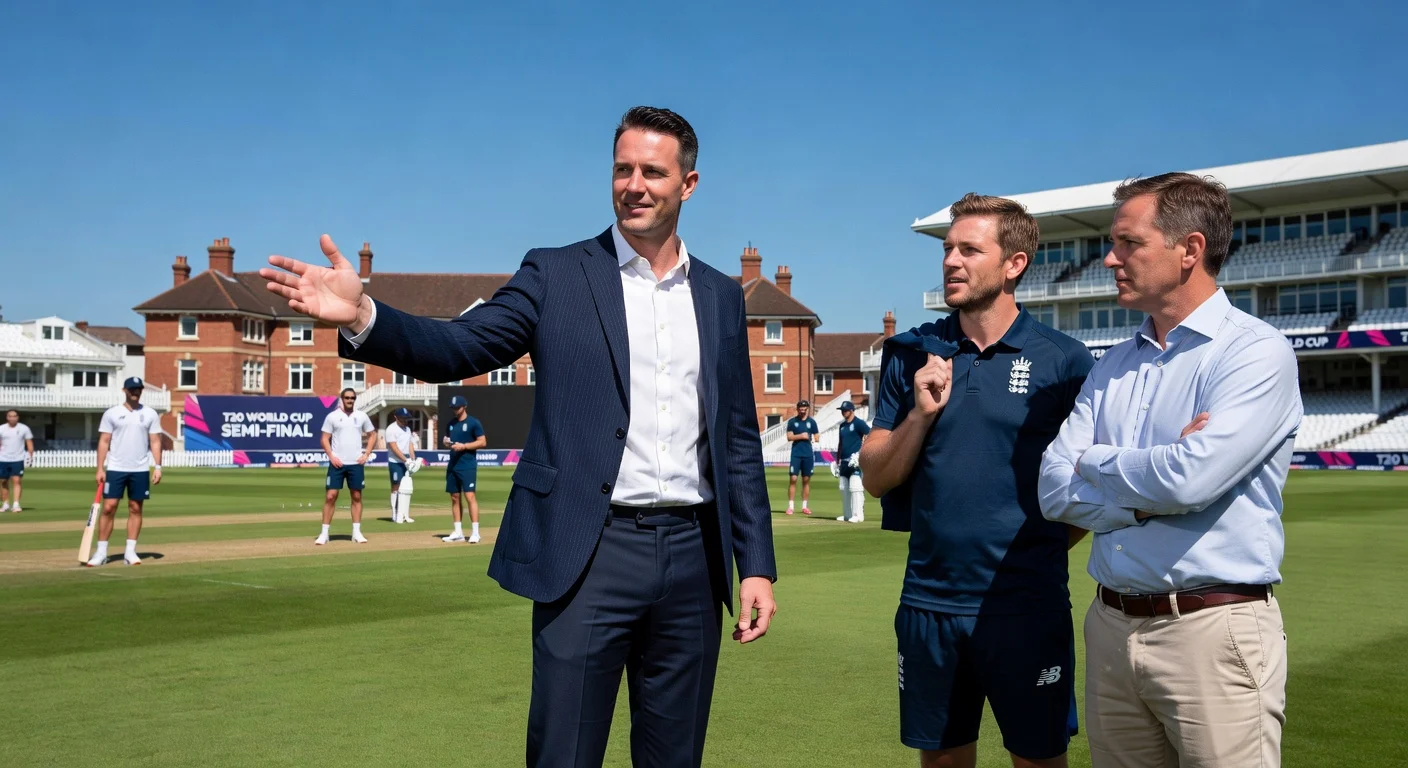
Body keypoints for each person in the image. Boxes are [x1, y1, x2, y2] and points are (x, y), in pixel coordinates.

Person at [261, 105, 777, 768]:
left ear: (689, 184)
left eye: (652, 172)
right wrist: (363, 314)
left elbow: (736, 439)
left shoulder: (719, 296)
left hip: (693, 557)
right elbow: (461, 345)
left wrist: (755, 564)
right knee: (563, 755)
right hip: (587, 554)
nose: (634, 186)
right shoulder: (555, 274)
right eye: (622, 169)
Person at [1038, 173, 1300, 768]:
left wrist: (1095, 461)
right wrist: (1149, 488)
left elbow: (1189, 480)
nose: (1111, 259)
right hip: (1110, 624)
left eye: (1130, 243)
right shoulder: (1112, 364)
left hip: (1211, 629)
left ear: (1190, 249)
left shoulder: (1254, 351)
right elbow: (1053, 487)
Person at [860, 194, 1094, 768]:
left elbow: (1087, 493)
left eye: (969, 250)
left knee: (1039, 760)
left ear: (1014, 264)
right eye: (947, 249)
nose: (951, 261)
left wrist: (1033, 553)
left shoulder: (1065, 361)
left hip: (1028, 607)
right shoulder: (912, 353)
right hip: (929, 604)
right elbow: (875, 478)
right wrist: (921, 415)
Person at [87, 378, 163, 567]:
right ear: (125, 391)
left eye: (138, 389)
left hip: (140, 468)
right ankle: (101, 552)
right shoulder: (112, 413)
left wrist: (158, 467)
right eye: (132, 389)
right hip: (116, 468)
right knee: (109, 507)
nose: (135, 392)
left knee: (135, 508)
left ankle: (130, 552)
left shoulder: (150, 413)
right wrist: (100, 468)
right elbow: (104, 441)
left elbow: (155, 441)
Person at [317, 387, 375, 545]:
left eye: (352, 398)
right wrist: (331, 456)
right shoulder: (332, 416)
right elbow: (324, 438)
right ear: (342, 399)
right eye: (347, 398)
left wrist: (366, 454)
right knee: (330, 496)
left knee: (356, 496)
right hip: (337, 463)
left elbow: (372, 435)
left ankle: (356, 533)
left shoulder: (361, 416)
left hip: (356, 463)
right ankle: (324, 534)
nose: (350, 400)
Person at [440, 395, 486, 543]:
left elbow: (482, 442)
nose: (455, 410)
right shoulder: (451, 423)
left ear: (464, 406)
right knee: (454, 497)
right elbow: (449, 440)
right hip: (453, 464)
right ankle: (458, 532)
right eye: (453, 408)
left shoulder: (473, 423)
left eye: (457, 408)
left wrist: (464, 446)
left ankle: (475, 533)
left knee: (470, 496)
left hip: (467, 465)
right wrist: (446, 442)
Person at [832, 401, 870, 523]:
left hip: (855, 461)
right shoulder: (842, 426)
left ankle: (858, 515)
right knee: (844, 488)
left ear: (852, 410)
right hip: (844, 462)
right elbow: (841, 444)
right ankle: (847, 515)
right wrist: (837, 460)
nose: (843, 412)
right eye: (842, 410)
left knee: (855, 487)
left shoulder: (858, 423)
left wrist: (861, 453)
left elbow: (870, 435)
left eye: (845, 410)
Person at [784, 400, 819, 515]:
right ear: (798, 409)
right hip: (796, 454)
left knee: (806, 480)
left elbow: (817, 436)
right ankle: (791, 506)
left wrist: (815, 439)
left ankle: (805, 506)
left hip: (808, 454)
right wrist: (801, 436)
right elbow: (789, 437)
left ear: (807, 409)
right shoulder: (792, 422)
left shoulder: (812, 422)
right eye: (801, 409)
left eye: (804, 409)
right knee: (793, 478)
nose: (802, 411)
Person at [385, 407, 417, 524]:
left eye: (406, 418)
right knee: (396, 487)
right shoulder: (391, 429)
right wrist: (405, 460)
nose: (404, 420)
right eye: (402, 418)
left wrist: (412, 459)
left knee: (406, 488)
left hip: (406, 462)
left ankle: (404, 514)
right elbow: (394, 447)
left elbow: (410, 444)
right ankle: (395, 514)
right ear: (396, 417)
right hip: (396, 462)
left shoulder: (407, 429)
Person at [0, 409, 35, 513]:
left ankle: (16, 504)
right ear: (7, 417)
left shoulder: (24, 428)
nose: (12, 418)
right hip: (3, 459)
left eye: (14, 416)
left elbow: (29, 443)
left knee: (16, 480)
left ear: (17, 417)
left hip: (18, 458)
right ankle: (5, 504)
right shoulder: (1, 428)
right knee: (3, 481)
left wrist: (30, 456)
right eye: (10, 416)